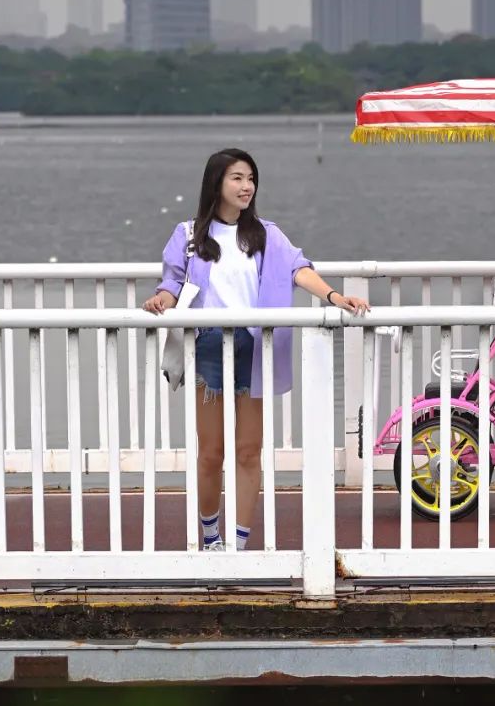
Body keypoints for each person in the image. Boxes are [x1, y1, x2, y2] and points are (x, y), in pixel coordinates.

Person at [143, 147, 369, 551]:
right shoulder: (189, 235)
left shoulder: (266, 233)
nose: (247, 186)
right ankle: (211, 538)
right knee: (211, 452)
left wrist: (335, 296)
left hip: (254, 344)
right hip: (207, 344)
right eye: (237, 178)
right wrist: (161, 298)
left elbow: (299, 269)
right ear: (217, 182)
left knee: (249, 450)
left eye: (251, 179)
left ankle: (240, 543)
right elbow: (172, 281)